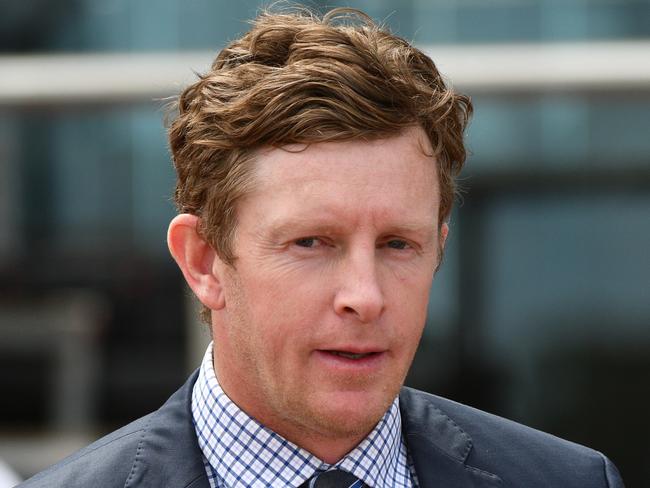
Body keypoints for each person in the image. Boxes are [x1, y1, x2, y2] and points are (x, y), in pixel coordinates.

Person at [19, 6, 624, 488]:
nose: (365, 297)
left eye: (397, 244)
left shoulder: (570, 479)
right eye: (311, 242)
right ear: (203, 260)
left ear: (439, 248)